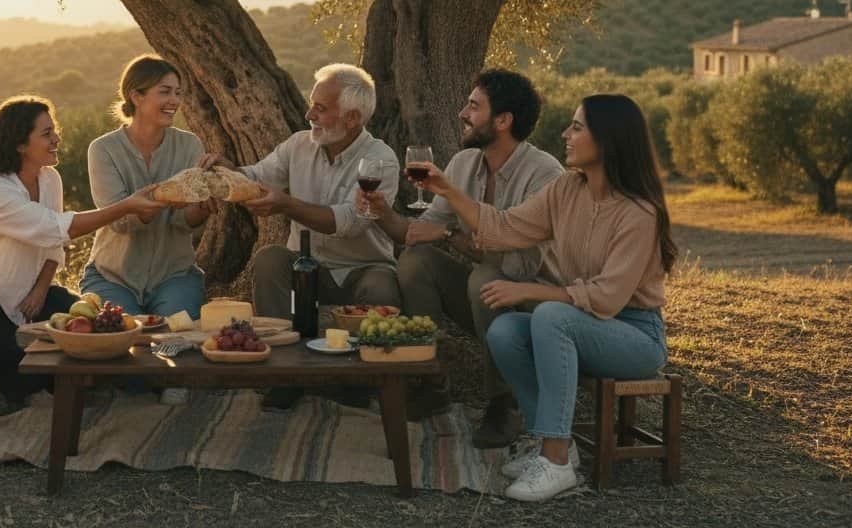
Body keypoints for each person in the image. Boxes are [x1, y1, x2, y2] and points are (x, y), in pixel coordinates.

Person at [410, 94, 674, 502]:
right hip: (584, 324)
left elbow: (606, 298)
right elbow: (502, 228)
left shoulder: (639, 212)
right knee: (505, 330)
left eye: (577, 127)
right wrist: (447, 188)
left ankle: (555, 464)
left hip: (635, 335)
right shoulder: (567, 189)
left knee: (548, 315)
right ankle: (551, 442)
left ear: (608, 140)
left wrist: (527, 290)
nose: (565, 135)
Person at [359, 70, 563, 446]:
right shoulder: (465, 163)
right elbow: (418, 233)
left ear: (503, 121)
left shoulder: (545, 175)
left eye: (473, 106)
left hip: (536, 305)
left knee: (486, 277)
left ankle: (506, 402)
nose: (461, 113)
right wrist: (381, 211)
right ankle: (431, 382)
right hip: (483, 297)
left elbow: (515, 262)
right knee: (415, 260)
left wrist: (450, 234)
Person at [204, 63, 401, 409]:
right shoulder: (298, 145)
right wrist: (226, 171)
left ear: (352, 118)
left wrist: (285, 204)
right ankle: (285, 374)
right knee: (270, 260)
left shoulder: (381, 160)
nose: (309, 114)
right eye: (312, 104)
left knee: (382, 288)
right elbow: (256, 176)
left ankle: (362, 380)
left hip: (363, 268)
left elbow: (350, 222)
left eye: (320, 109)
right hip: (307, 264)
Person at [0, 95, 167, 407]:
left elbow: (54, 244)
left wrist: (41, 289)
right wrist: (126, 206)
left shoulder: (49, 178)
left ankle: (150, 380)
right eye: (46, 134)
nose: (57, 138)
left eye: (55, 130)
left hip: (32, 295)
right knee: (28, 377)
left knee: (96, 332)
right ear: (19, 144)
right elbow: (54, 228)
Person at [82, 55, 214, 320]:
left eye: (178, 93)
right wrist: (164, 197)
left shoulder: (190, 146)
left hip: (175, 276)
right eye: (164, 92)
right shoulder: (103, 149)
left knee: (175, 341)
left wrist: (203, 209)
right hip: (113, 276)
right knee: (118, 340)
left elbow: (183, 221)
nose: (174, 101)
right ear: (136, 96)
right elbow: (118, 221)